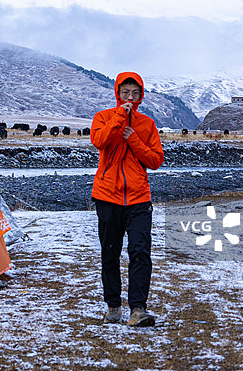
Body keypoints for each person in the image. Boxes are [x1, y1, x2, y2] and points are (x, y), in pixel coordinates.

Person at [90, 72, 164, 326]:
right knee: (110, 252)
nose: (130, 98)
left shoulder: (147, 124)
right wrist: (120, 117)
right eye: (125, 93)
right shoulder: (103, 118)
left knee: (140, 252)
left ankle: (138, 309)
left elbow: (155, 160)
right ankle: (113, 305)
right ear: (117, 94)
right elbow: (99, 141)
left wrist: (133, 139)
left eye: (134, 93)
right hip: (107, 196)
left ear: (141, 95)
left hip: (139, 198)